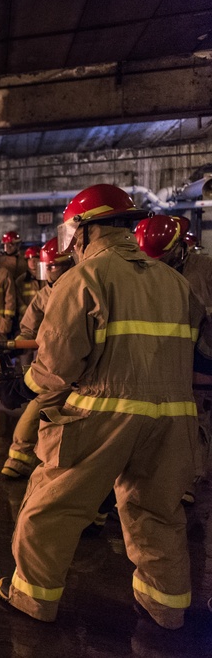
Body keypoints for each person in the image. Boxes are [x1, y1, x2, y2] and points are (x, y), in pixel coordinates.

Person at [0, 184, 205, 630]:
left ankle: (32, 599)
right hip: (173, 419)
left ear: (85, 230)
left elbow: (57, 364)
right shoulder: (175, 282)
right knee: (157, 514)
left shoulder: (83, 279)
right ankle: (165, 609)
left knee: (51, 508)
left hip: (102, 415)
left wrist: (26, 386)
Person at [135, 214, 212, 504]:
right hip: (160, 359)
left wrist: (204, 356)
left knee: (194, 418)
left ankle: (189, 482)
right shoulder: (147, 270)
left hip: (197, 358)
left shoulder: (204, 269)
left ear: (180, 246)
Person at [0, 238, 73, 479]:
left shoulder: (79, 288)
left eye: (52, 266)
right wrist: (16, 346)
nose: (48, 272)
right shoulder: (45, 294)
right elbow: (29, 327)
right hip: (53, 367)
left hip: (73, 368)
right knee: (36, 414)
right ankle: (19, 460)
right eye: (46, 267)